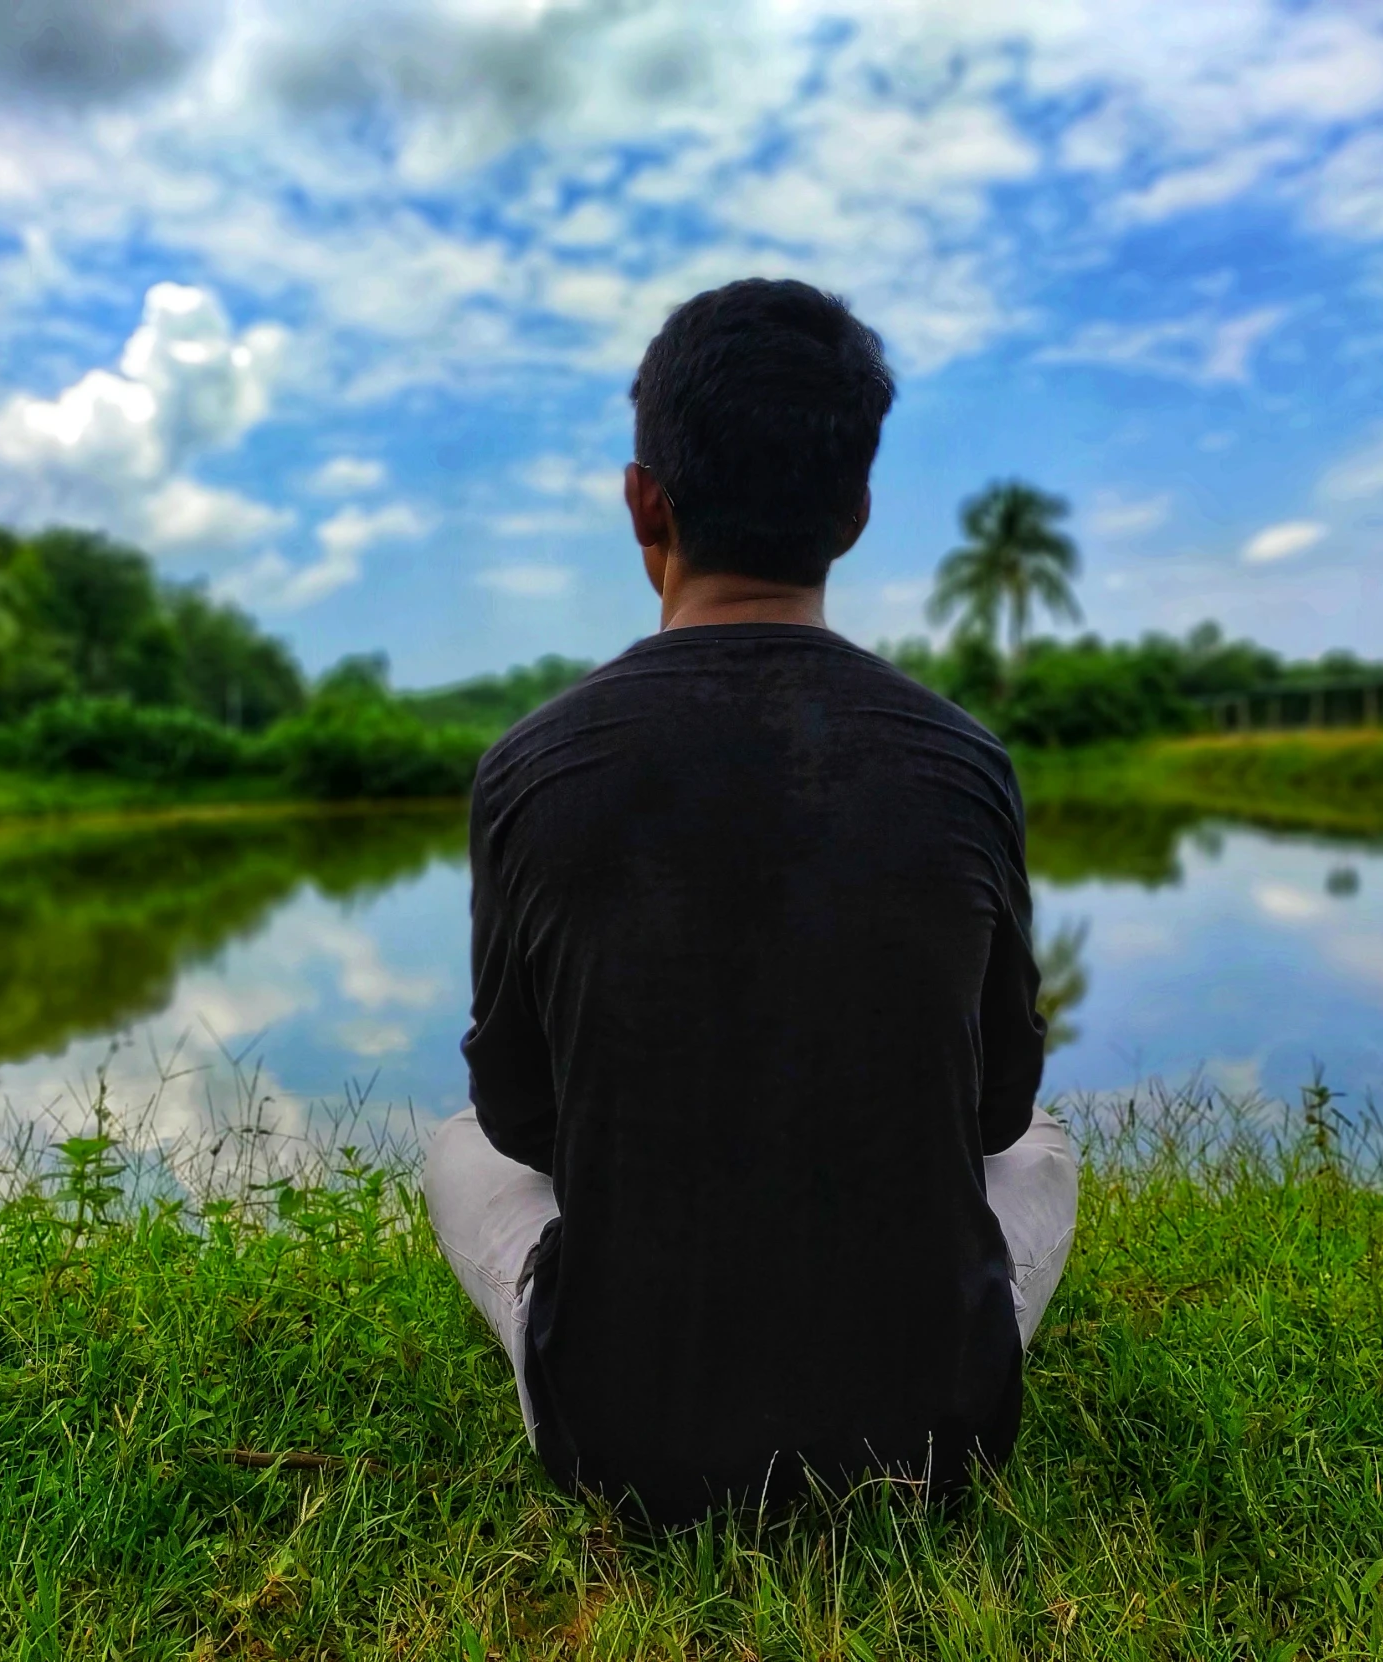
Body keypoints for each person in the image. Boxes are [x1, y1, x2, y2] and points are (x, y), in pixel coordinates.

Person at [425, 278, 1077, 1524]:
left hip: (620, 1438)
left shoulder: (528, 765)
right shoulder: (963, 761)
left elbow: (517, 1118)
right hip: (933, 1429)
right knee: (1047, 1149)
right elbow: (995, 1111)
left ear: (642, 503)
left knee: (452, 1148)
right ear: (855, 512)